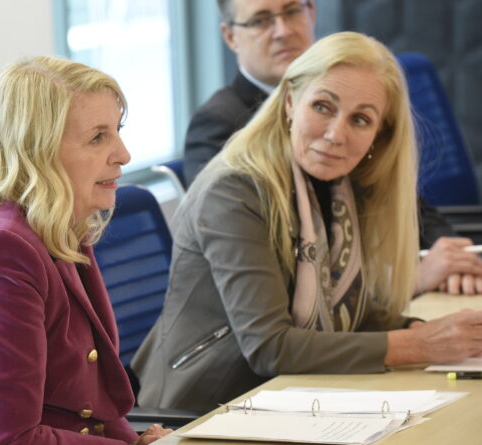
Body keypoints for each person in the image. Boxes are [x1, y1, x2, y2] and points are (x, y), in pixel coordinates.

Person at [132, 32, 482, 412]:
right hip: (202, 409)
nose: (335, 134)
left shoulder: (341, 184)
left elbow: (350, 312)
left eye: (360, 119)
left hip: (296, 397)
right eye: (322, 107)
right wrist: (417, 345)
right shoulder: (234, 191)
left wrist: (429, 333)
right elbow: (270, 347)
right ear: (289, 102)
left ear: (378, 136)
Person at [0, 57, 171, 444]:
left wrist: (134, 441)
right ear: (37, 152)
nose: (123, 154)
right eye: (98, 138)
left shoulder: (57, 224)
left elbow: (92, 404)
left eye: (117, 131)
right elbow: (9, 439)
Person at [184, 0, 482, 295]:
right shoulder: (220, 124)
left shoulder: (355, 90)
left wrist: (454, 259)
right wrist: (409, 280)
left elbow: (400, 200)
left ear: (311, 13)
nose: (282, 31)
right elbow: (272, 270)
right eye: (261, 20)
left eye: (292, 11)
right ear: (230, 36)